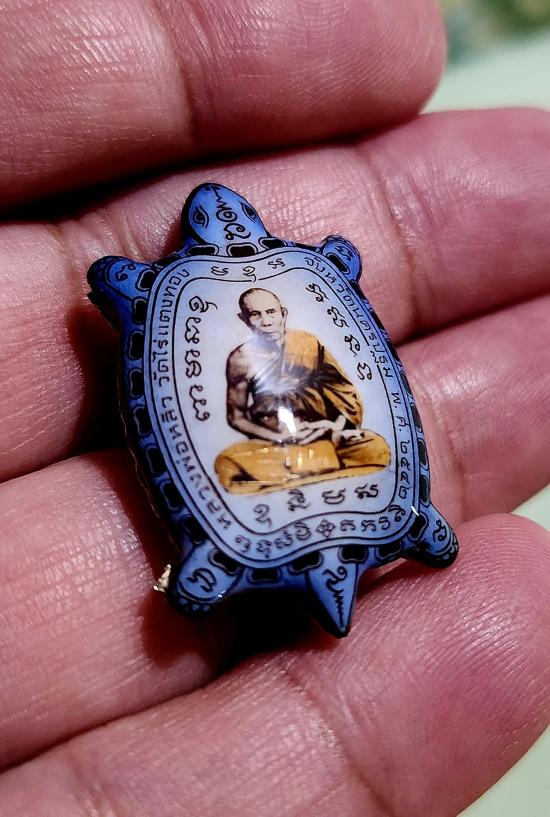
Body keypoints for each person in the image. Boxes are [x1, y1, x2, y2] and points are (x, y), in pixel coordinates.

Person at [1, 2, 549, 815]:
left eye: (267, 312)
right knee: (233, 460)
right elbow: (244, 418)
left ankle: (395, 518)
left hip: (336, 448)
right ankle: (232, 552)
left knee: (369, 445)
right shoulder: (204, 328)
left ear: (280, 310)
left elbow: (344, 397)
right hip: (265, 461)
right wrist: (280, 428)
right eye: (253, 314)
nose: (260, 320)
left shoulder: (306, 322)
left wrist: (328, 420)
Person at [215, 288, 390, 492]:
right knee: (229, 463)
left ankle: (295, 476)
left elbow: (340, 389)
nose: (266, 321)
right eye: (255, 315)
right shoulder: (240, 359)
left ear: (283, 313)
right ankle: (322, 469)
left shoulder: (308, 343)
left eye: (271, 312)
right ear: (244, 319)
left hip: (322, 434)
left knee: (375, 447)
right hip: (275, 442)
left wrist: (333, 426)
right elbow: (237, 417)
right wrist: (278, 438)